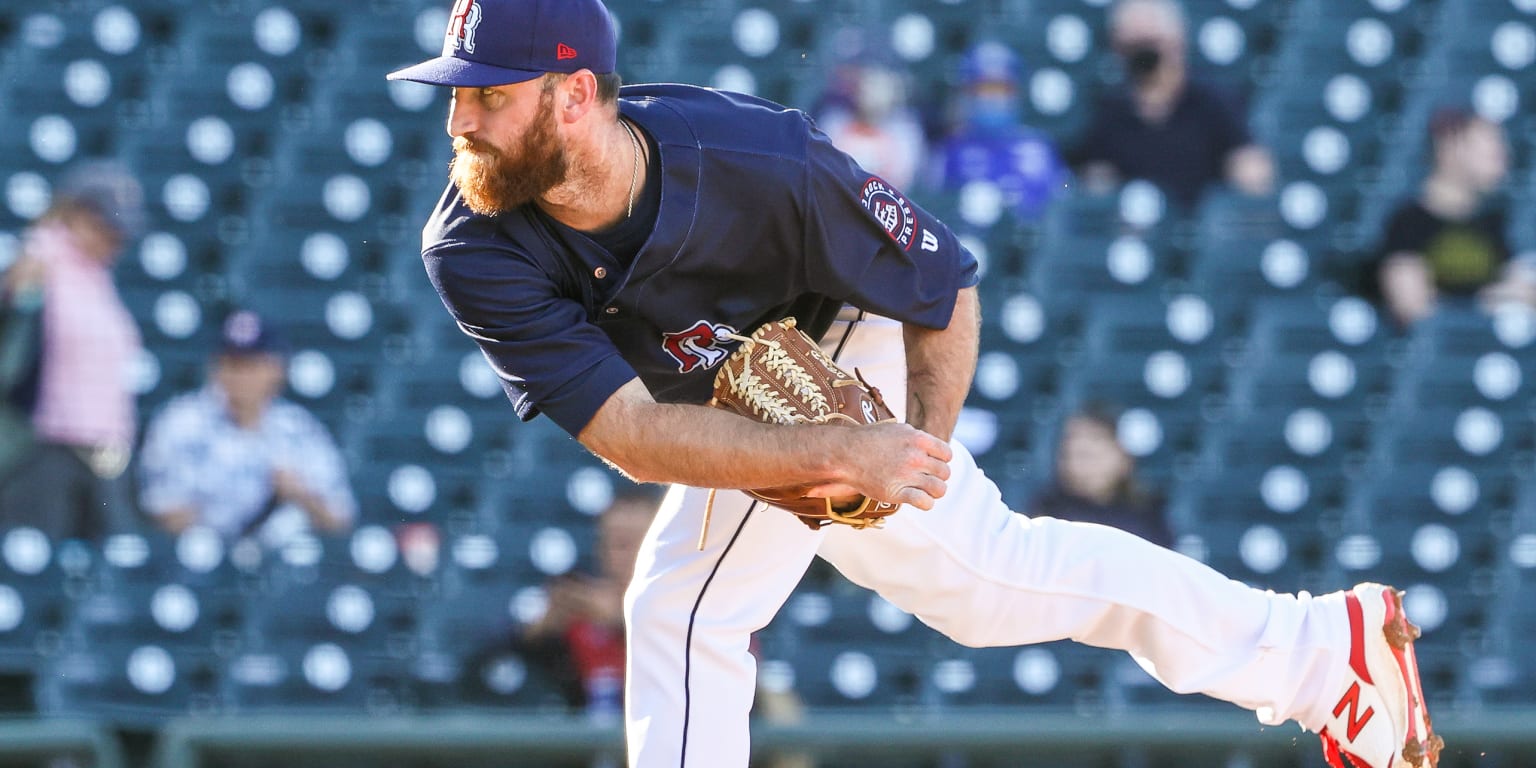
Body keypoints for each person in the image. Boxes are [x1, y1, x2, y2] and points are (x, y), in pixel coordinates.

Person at [387, 2, 1441, 767]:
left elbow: (946, 286)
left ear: (575, 95)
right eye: (456, 96)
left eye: (487, 96)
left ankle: (1316, 651)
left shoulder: (762, 159)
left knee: (729, 599)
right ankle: (1317, 651)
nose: (459, 123)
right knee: (711, 601)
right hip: (731, 405)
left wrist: (918, 451)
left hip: (840, 332)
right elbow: (628, 433)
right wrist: (836, 455)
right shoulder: (473, 239)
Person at [0, 162, 144, 541]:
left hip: (102, 451)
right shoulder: (39, 257)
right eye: (106, 227)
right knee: (32, 566)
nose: (115, 240)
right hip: (44, 449)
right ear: (76, 213)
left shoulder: (98, 276)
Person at [137, 309, 356, 545]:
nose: (240, 377)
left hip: (282, 563)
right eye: (232, 364)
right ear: (215, 367)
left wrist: (301, 495)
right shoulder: (180, 422)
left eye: (252, 365)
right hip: (205, 560)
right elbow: (161, 513)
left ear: (277, 369)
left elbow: (341, 519)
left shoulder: (298, 428)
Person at [1069, 0, 1274, 208]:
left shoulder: (1213, 101)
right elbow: (1095, 176)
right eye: (1133, 47)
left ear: (1177, 42)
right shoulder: (1110, 111)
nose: (1143, 57)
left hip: (1200, 227)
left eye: (1151, 45)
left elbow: (1250, 166)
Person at [1372, 107, 1528, 328]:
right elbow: (1410, 307)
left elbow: (1523, 295)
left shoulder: (1495, 223)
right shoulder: (1407, 223)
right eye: (1491, 152)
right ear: (1449, 147)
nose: (1503, 160)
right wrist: (1484, 305)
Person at [931, 41, 1065, 222]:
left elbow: (1062, 201)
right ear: (967, 93)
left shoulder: (1040, 147)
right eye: (985, 89)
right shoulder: (949, 151)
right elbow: (934, 212)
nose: (994, 98)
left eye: (1002, 88)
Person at [1029, 405, 1172, 548]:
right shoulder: (1047, 514)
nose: (1081, 466)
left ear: (1124, 455)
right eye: (1072, 455)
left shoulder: (1151, 513)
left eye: (1091, 456)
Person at [815, 61, 925, 191]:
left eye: (877, 86)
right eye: (865, 84)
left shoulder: (904, 135)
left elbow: (901, 183)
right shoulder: (834, 124)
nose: (868, 91)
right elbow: (825, 170)